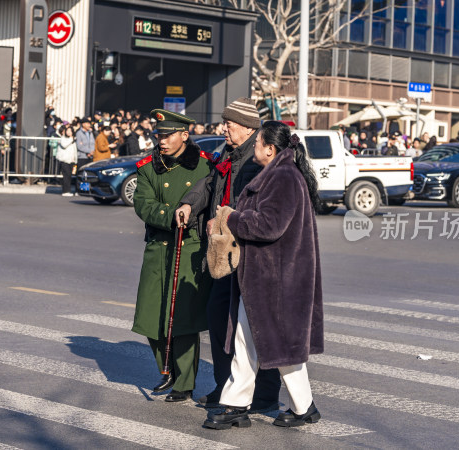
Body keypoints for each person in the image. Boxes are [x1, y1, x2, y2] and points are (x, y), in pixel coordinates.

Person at [203, 121, 323, 430]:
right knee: (262, 343)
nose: (254, 147)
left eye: (258, 143)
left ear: (270, 149)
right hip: (269, 276)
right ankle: (287, 406)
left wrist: (231, 217)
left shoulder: (282, 177)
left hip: (276, 278)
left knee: (271, 345)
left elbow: (270, 225)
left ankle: (245, 405)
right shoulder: (279, 174)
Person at [175, 97, 282, 412]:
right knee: (221, 318)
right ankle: (227, 386)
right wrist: (187, 204)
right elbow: (209, 183)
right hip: (226, 253)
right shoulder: (230, 154)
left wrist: (222, 218)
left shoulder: (257, 159)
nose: (225, 129)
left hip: (249, 254)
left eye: (230, 124)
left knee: (252, 324)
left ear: (248, 128)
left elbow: (253, 204)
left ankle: (262, 395)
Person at [133, 109, 213, 402]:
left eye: (167, 135)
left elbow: (209, 200)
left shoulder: (204, 166)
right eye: (159, 135)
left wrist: (191, 216)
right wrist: (170, 215)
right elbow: (143, 204)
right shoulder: (147, 167)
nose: (162, 141)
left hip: (190, 245)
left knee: (182, 318)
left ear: (184, 135)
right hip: (159, 246)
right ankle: (166, 370)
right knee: (151, 315)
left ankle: (184, 382)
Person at [57, 125, 77, 196]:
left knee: (69, 176)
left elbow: (74, 150)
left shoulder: (73, 139)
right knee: (66, 175)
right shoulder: (63, 138)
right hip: (64, 160)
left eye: (71, 131)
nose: (69, 132)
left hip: (71, 160)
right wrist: (71, 139)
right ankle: (65, 191)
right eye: (68, 131)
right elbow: (64, 145)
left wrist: (75, 159)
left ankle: (68, 190)